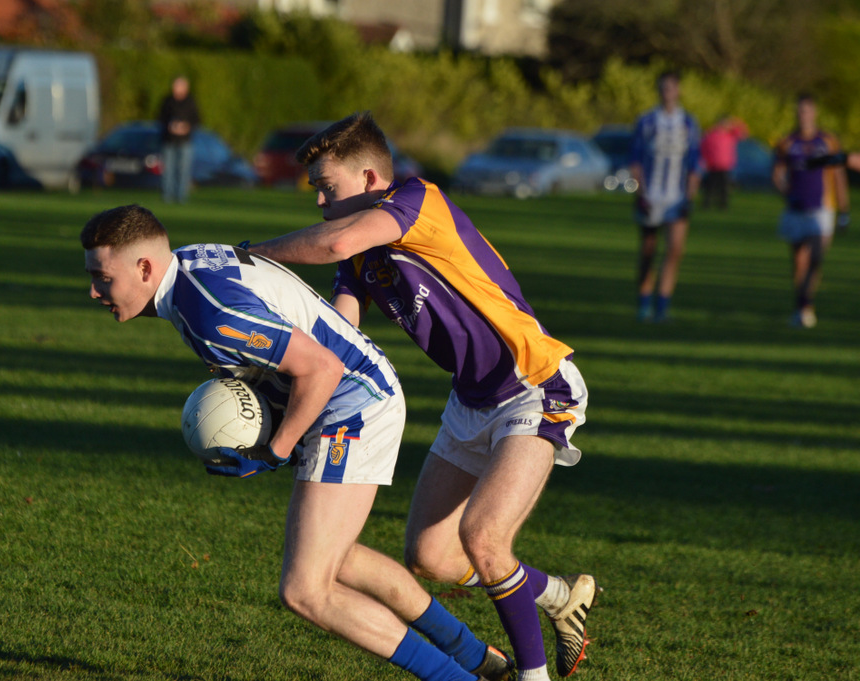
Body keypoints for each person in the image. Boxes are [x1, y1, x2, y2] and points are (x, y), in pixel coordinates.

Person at [81, 204, 517, 681]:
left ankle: (459, 677)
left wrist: (277, 449)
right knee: (338, 557)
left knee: (307, 591)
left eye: (103, 278)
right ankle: (479, 659)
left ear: (145, 267)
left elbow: (322, 368)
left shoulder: (209, 310)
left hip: (353, 402)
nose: (94, 291)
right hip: (348, 392)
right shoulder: (185, 268)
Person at [245, 112, 597, 681]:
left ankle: (531, 677)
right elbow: (343, 335)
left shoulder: (417, 200)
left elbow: (333, 241)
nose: (319, 203)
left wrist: (253, 255)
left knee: (483, 540)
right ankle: (556, 596)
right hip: (471, 401)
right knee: (431, 557)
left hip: (535, 384)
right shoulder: (360, 255)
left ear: (367, 178)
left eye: (325, 188)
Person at [629, 70, 702, 323]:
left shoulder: (688, 123)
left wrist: (689, 197)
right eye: (662, 88)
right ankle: (644, 303)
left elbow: (695, 163)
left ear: (678, 90)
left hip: (677, 198)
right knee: (648, 251)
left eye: (671, 88)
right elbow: (635, 161)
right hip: (651, 197)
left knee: (674, 250)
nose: (666, 92)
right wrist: (641, 193)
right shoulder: (647, 121)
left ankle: (663, 305)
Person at [771, 93, 849, 328]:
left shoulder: (827, 142)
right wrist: (786, 191)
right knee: (800, 262)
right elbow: (777, 174)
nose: (803, 115)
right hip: (796, 209)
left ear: (814, 113)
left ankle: (806, 303)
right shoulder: (787, 142)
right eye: (799, 111)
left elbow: (838, 175)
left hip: (823, 209)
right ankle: (801, 306)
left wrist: (844, 210)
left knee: (816, 257)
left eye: (807, 110)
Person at [158, 76, 200, 204]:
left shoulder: (191, 102)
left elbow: (197, 120)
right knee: (168, 169)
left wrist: (186, 127)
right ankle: (167, 195)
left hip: (185, 141)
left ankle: (181, 195)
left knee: (183, 169)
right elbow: (160, 118)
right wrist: (170, 126)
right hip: (169, 140)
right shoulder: (167, 101)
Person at [700, 115, 748, 210]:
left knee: (724, 187)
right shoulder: (711, 134)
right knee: (710, 186)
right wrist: (703, 160)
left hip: (725, 165)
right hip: (712, 164)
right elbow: (704, 147)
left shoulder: (730, 135)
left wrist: (734, 122)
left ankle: (723, 204)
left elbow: (743, 134)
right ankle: (707, 203)